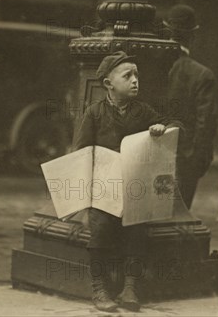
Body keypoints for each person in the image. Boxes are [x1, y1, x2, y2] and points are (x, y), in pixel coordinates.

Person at [74, 51, 181, 312]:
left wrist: (161, 129)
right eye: (127, 76)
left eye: (137, 75)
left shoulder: (142, 111)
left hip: (135, 189)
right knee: (99, 230)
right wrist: (84, 199)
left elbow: (174, 124)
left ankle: (131, 285)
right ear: (109, 84)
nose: (135, 81)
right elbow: (81, 152)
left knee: (137, 231)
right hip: (103, 190)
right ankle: (98, 287)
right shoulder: (95, 113)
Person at [164, 5, 218, 209]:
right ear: (193, 35)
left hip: (147, 157)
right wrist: (196, 162)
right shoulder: (202, 75)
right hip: (185, 162)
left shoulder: (147, 68)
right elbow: (205, 124)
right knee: (178, 221)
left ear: (165, 30)